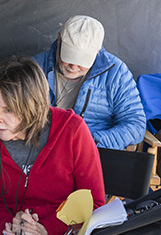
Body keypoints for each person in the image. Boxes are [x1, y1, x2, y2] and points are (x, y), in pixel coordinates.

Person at [0, 56, 105, 235]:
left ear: (33, 107)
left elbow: (93, 202)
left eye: (8, 110)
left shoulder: (72, 130)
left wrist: (47, 229)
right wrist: (8, 225)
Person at [32, 15, 145, 150]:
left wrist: (93, 142)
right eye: (69, 57)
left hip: (93, 152)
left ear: (97, 52)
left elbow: (135, 124)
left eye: (82, 61)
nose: (73, 67)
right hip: (43, 150)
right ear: (59, 39)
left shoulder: (116, 73)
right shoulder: (35, 67)